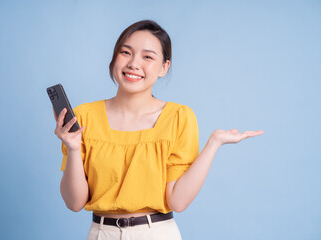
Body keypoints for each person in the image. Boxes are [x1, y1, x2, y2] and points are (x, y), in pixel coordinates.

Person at [53, 20, 264, 240]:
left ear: (164, 67)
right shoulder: (85, 116)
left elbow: (178, 201)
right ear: (114, 58)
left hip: (156, 233)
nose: (134, 63)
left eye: (147, 57)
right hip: (101, 233)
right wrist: (74, 150)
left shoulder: (178, 117)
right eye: (126, 52)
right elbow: (74, 203)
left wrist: (214, 143)